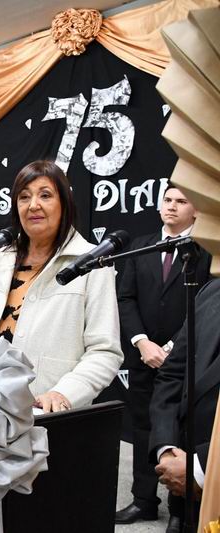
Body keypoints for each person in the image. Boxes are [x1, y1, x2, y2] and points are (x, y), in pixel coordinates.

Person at [0, 160, 123, 411]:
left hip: (42, 413)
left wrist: (63, 393)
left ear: (65, 203)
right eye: (24, 197)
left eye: (45, 195)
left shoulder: (92, 263)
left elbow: (104, 351)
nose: (33, 205)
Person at [114, 184, 212, 526]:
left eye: (181, 201)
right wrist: (142, 342)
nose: (171, 206)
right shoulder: (139, 248)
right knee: (142, 428)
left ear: (196, 210)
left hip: (185, 359)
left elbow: (204, 306)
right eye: (167, 200)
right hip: (143, 357)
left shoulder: (205, 252)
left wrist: (171, 348)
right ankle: (143, 499)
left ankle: (179, 508)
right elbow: (125, 298)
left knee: (180, 431)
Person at [149, 278, 220, 533]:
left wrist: (201, 466)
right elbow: (173, 374)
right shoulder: (211, 290)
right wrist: (166, 450)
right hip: (184, 490)